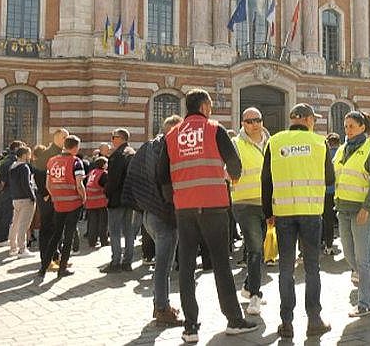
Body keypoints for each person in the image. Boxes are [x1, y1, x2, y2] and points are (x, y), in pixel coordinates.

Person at [161, 89, 257, 343]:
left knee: (186, 267)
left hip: (184, 208)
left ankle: (190, 327)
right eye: (211, 106)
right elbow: (234, 164)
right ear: (204, 106)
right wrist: (230, 177)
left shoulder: (171, 135)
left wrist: (175, 200)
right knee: (221, 264)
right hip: (214, 204)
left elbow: (162, 175)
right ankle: (234, 319)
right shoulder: (215, 129)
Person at [261, 103, 334, 339]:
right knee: (312, 267)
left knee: (285, 269)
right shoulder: (318, 142)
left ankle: (286, 322)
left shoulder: (275, 141)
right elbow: (330, 177)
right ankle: (314, 319)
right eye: (313, 118)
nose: (314, 122)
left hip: (282, 212)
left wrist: (267, 212)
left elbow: (266, 179)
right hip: (311, 212)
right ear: (305, 119)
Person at [123, 114, 183, 328]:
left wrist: (141, 204)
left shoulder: (147, 147)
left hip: (149, 215)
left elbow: (133, 176)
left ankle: (161, 304)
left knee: (162, 263)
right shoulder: (170, 149)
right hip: (164, 215)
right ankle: (162, 309)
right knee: (163, 265)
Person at [334, 110, 370, 317]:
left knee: (363, 259)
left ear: (362, 127)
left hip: (364, 210)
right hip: (344, 209)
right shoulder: (341, 150)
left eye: (351, 126)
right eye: (345, 126)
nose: (347, 130)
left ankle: (365, 303)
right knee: (349, 255)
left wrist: (366, 208)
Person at [230, 107, 269, 315]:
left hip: (267, 203)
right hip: (244, 203)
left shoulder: (271, 143)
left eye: (257, 119)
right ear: (242, 124)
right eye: (249, 121)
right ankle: (255, 294)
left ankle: (247, 286)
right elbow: (226, 170)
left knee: (260, 248)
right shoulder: (235, 144)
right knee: (254, 248)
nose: (254, 124)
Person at [38, 135, 86, 279]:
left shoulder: (52, 161)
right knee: (69, 236)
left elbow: (48, 184)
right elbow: (79, 184)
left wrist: (55, 196)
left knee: (56, 235)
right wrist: (83, 198)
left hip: (58, 203)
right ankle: (62, 268)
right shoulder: (76, 162)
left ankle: (43, 268)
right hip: (73, 203)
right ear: (75, 147)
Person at [101, 128, 138, 273]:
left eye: (113, 137)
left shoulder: (117, 155)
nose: (112, 139)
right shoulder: (132, 153)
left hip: (117, 198)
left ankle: (116, 262)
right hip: (130, 197)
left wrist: (107, 192)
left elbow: (113, 180)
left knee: (115, 231)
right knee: (128, 230)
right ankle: (127, 262)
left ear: (120, 138)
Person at [34, 129, 68, 271]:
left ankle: (56, 257)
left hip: (59, 197)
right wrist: (45, 193)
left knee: (58, 228)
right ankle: (46, 261)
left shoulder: (62, 153)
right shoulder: (47, 154)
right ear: (56, 138)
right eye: (64, 137)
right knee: (47, 228)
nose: (67, 139)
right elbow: (38, 174)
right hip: (49, 198)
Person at [8, 146, 37, 257]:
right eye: (29, 154)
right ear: (24, 155)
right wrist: (32, 196)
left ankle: (12, 247)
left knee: (14, 223)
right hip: (25, 199)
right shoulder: (24, 167)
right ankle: (22, 249)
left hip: (16, 198)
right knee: (24, 225)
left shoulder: (13, 166)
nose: (30, 157)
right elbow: (26, 184)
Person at [322, 133, 342, 255]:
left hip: (324, 190)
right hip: (339, 191)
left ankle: (326, 244)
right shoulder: (342, 153)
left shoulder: (325, 154)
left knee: (325, 219)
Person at [84, 157, 109, 248]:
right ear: (103, 165)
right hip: (101, 202)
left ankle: (92, 241)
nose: (107, 165)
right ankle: (104, 241)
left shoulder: (92, 172)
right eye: (106, 163)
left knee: (92, 223)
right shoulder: (104, 174)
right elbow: (106, 187)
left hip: (90, 201)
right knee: (103, 223)